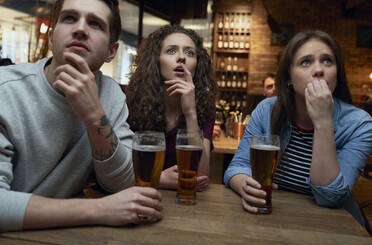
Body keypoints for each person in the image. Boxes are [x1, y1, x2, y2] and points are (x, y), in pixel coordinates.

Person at [0, 0, 163, 232]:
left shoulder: (112, 95)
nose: (80, 29)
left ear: (111, 51)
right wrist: (99, 210)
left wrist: (95, 116)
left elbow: (123, 184)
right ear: (51, 38)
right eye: (69, 18)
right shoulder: (4, 88)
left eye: (95, 24)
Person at [224, 30, 372, 225]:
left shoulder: (360, 124)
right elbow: (236, 167)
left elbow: (330, 196)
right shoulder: (267, 110)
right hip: (275, 220)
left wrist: (322, 122)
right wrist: (245, 186)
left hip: (335, 229)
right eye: (305, 62)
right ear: (289, 79)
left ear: (337, 74)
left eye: (327, 61)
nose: (319, 70)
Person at [126, 25, 217, 191]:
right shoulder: (132, 103)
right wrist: (158, 179)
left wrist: (190, 113)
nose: (181, 57)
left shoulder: (205, 106)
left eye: (190, 53)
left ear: (197, 64)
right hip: (138, 196)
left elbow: (201, 176)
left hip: (183, 202)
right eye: (171, 51)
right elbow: (115, 170)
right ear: (156, 60)